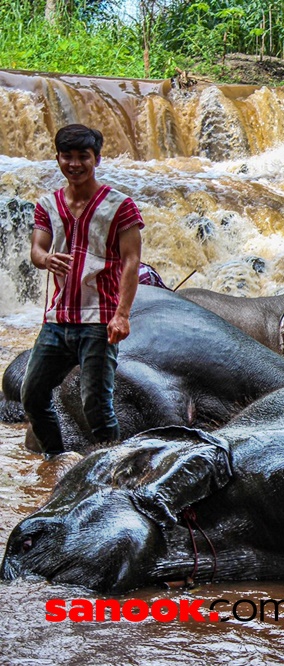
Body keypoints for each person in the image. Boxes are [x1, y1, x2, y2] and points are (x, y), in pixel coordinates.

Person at [21, 124, 144, 458]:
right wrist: (46, 258)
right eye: (67, 156)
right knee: (32, 394)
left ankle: (114, 469)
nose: (74, 164)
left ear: (97, 159)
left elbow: (132, 261)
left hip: (99, 320)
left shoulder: (121, 206)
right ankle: (56, 461)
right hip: (57, 319)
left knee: (96, 407)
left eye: (82, 157)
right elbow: (36, 250)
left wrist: (122, 314)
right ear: (58, 158)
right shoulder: (47, 204)